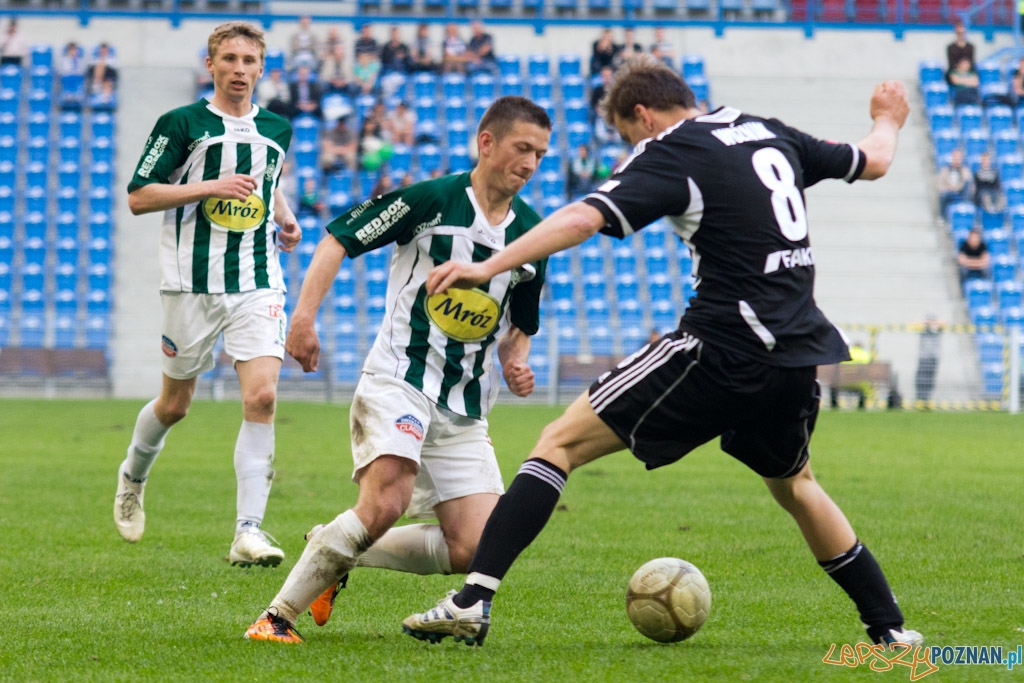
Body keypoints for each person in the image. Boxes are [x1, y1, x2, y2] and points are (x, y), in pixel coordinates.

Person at [402, 56, 922, 650]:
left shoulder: (675, 149)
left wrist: (488, 264)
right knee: (796, 483)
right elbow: (875, 159)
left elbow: (582, 216)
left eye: (628, 137)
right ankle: (889, 628)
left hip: (722, 348)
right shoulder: (767, 130)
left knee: (558, 444)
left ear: (642, 116)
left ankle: (471, 601)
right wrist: (887, 118)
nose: (631, 149)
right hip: (799, 354)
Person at [243, 96, 553, 643]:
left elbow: (518, 324)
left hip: (464, 407)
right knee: (385, 501)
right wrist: (303, 318)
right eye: (521, 148)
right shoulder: (431, 200)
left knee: (476, 548)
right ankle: (275, 619)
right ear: (486, 143)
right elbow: (340, 235)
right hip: (399, 380)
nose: (530, 163)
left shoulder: (533, 233)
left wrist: (518, 360)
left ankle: (332, 547)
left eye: (540, 154)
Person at [113, 22, 301, 568]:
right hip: (190, 283)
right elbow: (140, 197)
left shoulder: (277, 129)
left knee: (262, 397)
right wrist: (209, 188)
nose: (240, 69)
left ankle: (248, 531)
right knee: (176, 405)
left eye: (249, 61)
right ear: (211, 65)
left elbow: (267, 179)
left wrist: (285, 218)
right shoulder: (182, 123)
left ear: (262, 69)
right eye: (230, 59)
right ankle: (133, 474)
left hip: (257, 279)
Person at [913, 315, 944, 404]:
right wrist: (926, 323)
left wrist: (934, 324)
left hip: (934, 358)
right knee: (921, 379)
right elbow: (913, 324)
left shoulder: (938, 329)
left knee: (930, 380)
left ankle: (927, 399)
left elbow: (943, 323)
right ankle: (919, 399)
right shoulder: (923, 328)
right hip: (923, 357)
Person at [936, 148, 972, 218]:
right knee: (943, 195)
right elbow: (939, 183)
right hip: (948, 191)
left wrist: (956, 188)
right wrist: (947, 188)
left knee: (967, 187)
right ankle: (942, 217)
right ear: (952, 158)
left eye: (959, 158)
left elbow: (967, 181)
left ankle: (965, 212)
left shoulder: (964, 170)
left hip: (960, 191)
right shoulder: (945, 170)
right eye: (956, 157)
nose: (957, 160)